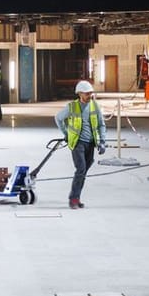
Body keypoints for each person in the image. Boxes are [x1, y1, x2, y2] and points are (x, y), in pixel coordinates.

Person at [55, 80, 106, 208]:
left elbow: (101, 125)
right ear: (80, 94)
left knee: (83, 172)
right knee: (81, 169)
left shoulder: (95, 106)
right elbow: (58, 118)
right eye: (87, 94)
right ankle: (73, 198)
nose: (90, 96)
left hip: (90, 143)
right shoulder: (72, 107)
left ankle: (76, 198)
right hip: (78, 143)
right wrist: (66, 134)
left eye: (91, 93)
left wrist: (102, 141)